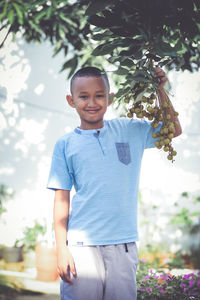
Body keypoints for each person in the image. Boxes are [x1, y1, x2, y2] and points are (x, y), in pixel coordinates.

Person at [47, 66, 182, 300]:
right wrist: (62, 249)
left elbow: (173, 130)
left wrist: (161, 90)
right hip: (81, 247)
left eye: (99, 95)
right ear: (71, 100)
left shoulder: (130, 130)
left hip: (124, 244)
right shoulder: (65, 144)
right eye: (84, 96)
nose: (92, 102)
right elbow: (61, 199)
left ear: (109, 98)